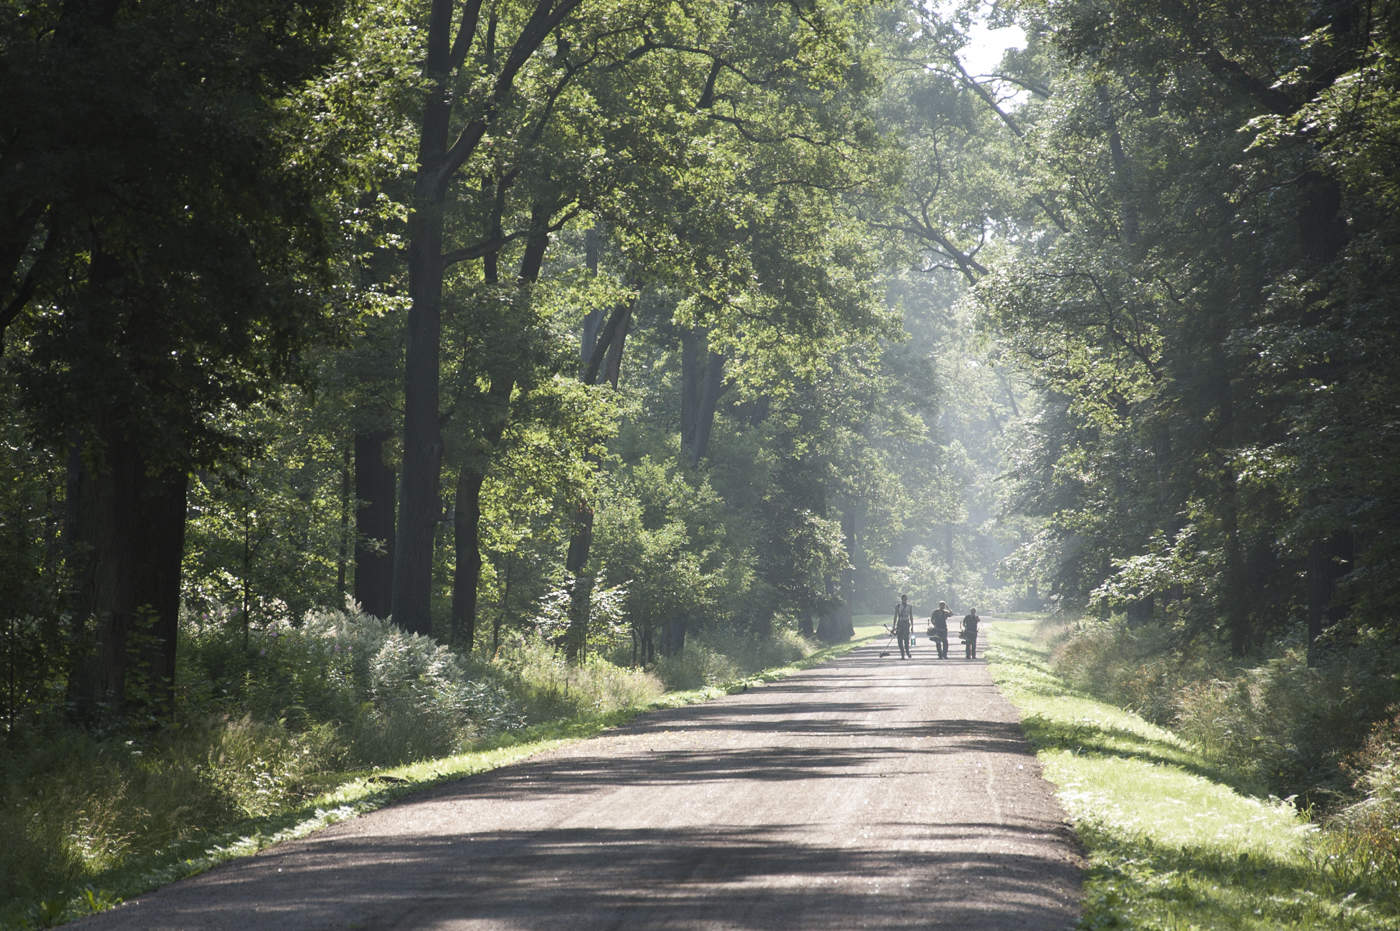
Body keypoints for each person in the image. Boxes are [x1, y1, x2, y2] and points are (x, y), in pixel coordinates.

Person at [893, 593, 915, 659]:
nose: (905, 600)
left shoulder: (909, 606)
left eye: (906, 599)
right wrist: (894, 626)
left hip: (906, 624)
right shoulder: (898, 606)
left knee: (906, 639)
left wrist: (912, 626)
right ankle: (902, 654)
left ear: (907, 599)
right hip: (900, 624)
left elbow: (911, 616)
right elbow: (895, 616)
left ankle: (907, 652)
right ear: (901, 599)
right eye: (903, 599)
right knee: (899, 640)